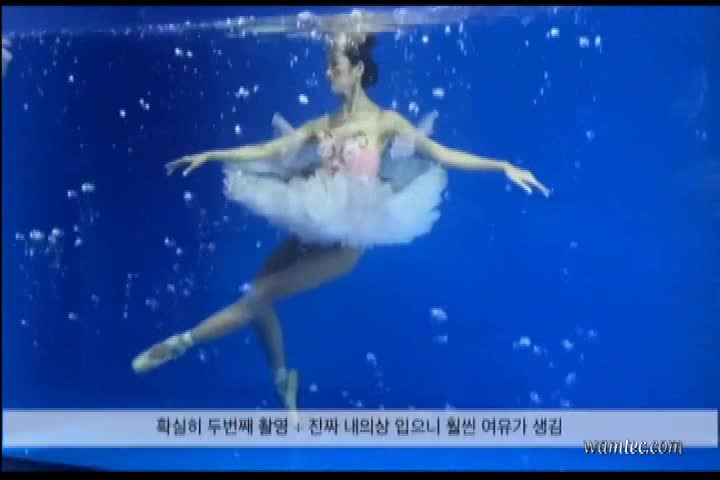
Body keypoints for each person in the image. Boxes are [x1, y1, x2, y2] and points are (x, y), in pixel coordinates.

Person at [131, 32, 550, 414]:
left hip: (348, 238)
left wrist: (502, 166)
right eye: (328, 65)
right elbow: (267, 149)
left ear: (358, 70)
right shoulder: (324, 124)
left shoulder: (385, 122)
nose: (328, 73)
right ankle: (284, 381)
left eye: (335, 65)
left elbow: (442, 153)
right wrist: (212, 155)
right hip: (313, 222)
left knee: (259, 296)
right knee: (258, 295)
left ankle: (182, 343)